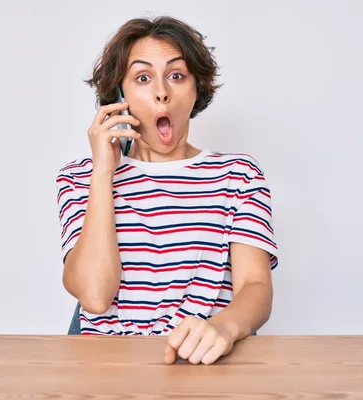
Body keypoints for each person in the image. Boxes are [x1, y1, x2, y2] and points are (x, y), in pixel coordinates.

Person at [55, 15, 279, 365]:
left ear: (196, 89)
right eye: (142, 78)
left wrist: (224, 328)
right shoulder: (80, 177)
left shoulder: (238, 175)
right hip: (107, 370)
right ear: (119, 95)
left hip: (202, 364)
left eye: (176, 75)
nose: (162, 92)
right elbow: (96, 297)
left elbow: (255, 286)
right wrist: (103, 173)